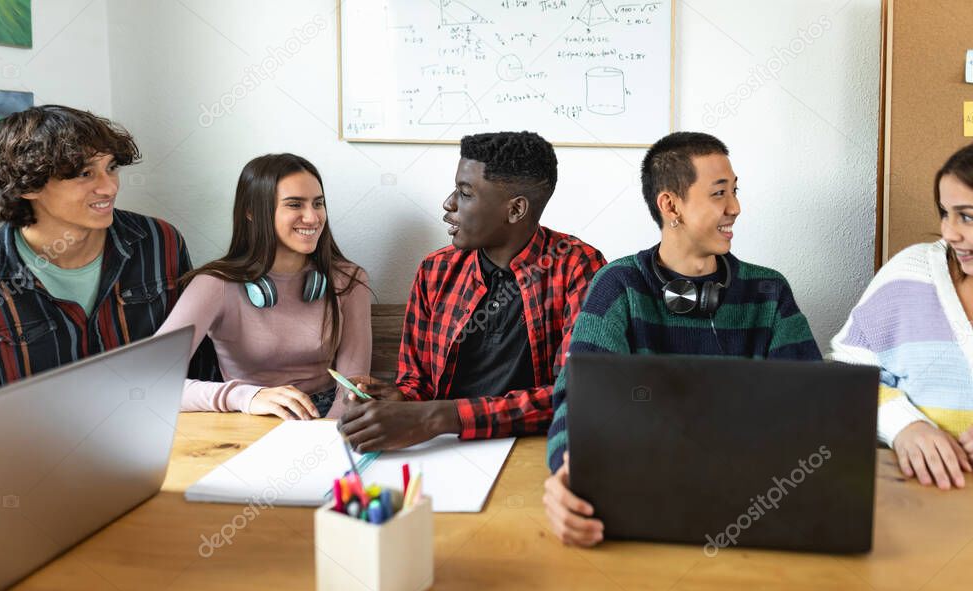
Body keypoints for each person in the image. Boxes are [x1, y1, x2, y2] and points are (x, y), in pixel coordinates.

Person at [544, 131, 821, 547]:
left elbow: (813, 404)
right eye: (719, 194)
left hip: (754, 505)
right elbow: (578, 399)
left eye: (735, 191)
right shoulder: (618, 286)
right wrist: (568, 471)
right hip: (644, 502)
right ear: (671, 205)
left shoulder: (768, 291)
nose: (735, 208)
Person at [337, 131, 606, 451]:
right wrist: (398, 400)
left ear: (516, 209)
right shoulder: (434, 271)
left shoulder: (579, 268)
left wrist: (437, 417)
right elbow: (416, 384)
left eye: (465, 193)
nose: (448, 203)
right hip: (442, 449)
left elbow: (574, 394)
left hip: (532, 450)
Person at [0, 105, 193, 403]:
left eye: (111, 167)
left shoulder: (159, 242)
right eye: (85, 173)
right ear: (29, 185)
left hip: (175, 436)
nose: (109, 187)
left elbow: (197, 359)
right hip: (37, 447)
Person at [156, 154, 370, 419]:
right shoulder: (214, 284)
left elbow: (352, 387)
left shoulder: (349, 280)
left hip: (326, 418)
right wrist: (246, 396)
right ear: (252, 212)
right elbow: (150, 382)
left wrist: (326, 435)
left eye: (318, 203)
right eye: (295, 204)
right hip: (247, 416)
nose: (312, 217)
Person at [829, 144, 973, 491]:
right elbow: (845, 374)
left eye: (967, 216)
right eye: (945, 213)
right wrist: (903, 426)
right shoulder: (910, 274)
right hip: (921, 498)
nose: (949, 233)